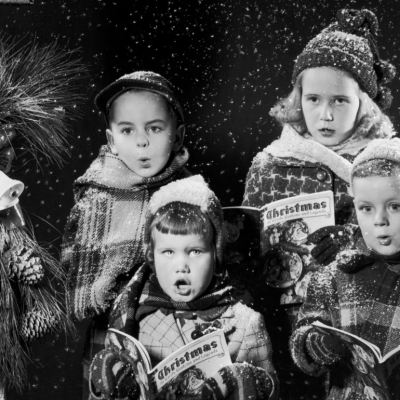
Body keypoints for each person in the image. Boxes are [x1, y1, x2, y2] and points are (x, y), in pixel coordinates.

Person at [241, 8, 396, 399]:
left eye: (340, 101)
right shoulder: (269, 164)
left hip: (357, 325)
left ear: (365, 103)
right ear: (298, 98)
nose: (325, 114)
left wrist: (355, 245)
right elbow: (242, 255)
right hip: (282, 319)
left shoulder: (387, 163)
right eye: (313, 98)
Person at [90, 175, 279, 400]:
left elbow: (270, 391)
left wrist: (245, 382)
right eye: (168, 252)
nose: (181, 266)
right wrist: (112, 383)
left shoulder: (245, 324)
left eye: (195, 252)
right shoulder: (131, 319)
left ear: (216, 255)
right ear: (152, 257)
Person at [61, 71, 190, 399]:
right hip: (111, 332)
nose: (141, 141)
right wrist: (113, 287)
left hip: (178, 328)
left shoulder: (190, 193)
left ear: (177, 136)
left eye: (155, 128)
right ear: (111, 139)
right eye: (127, 130)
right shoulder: (97, 199)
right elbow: (74, 268)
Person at [290, 138, 400, 399]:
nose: (380, 220)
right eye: (366, 208)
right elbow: (302, 339)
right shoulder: (332, 277)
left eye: (395, 206)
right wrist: (319, 344)